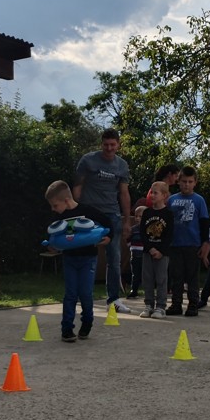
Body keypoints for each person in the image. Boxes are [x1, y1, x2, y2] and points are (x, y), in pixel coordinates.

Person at [44, 180, 112, 342]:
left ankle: (87, 323)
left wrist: (110, 236)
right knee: (70, 294)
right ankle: (67, 329)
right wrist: (52, 246)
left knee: (86, 293)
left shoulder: (87, 211)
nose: (53, 209)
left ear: (66, 200)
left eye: (55, 205)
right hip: (69, 259)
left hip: (88, 259)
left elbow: (107, 222)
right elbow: (52, 234)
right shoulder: (59, 217)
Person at [74, 129, 132, 313]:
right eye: (106, 145)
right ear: (101, 144)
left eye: (112, 145)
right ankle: (83, 296)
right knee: (85, 254)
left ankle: (113, 299)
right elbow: (77, 186)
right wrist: (76, 211)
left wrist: (127, 220)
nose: (109, 148)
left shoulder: (122, 165)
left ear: (118, 145)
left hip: (111, 214)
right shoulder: (88, 160)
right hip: (89, 212)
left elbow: (124, 193)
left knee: (114, 257)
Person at [165, 167, 210, 317]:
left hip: (193, 244)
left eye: (190, 182)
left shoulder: (199, 200)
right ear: (178, 181)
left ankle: (193, 304)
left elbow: (204, 222)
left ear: (195, 183)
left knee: (192, 277)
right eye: (184, 181)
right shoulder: (171, 200)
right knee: (176, 276)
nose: (187, 184)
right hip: (175, 244)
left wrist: (205, 242)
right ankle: (176, 304)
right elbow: (167, 222)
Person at [137, 181, 174, 320]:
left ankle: (161, 306)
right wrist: (150, 248)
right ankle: (149, 305)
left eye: (155, 193)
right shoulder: (147, 213)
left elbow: (169, 235)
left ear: (164, 195)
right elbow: (142, 233)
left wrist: (161, 251)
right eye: (151, 192)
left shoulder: (168, 214)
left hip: (162, 254)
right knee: (147, 279)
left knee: (161, 279)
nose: (152, 195)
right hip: (148, 252)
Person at [127, 205, 145, 298]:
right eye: (136, 216)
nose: (137, 218)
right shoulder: (133, 229)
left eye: (140, 216)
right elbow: (128, 241)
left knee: (147, 274)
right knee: (135, 274)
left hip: (145, 255)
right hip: (134, 255)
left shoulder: (148, 229)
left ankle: (148, 291)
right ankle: (134, 290)